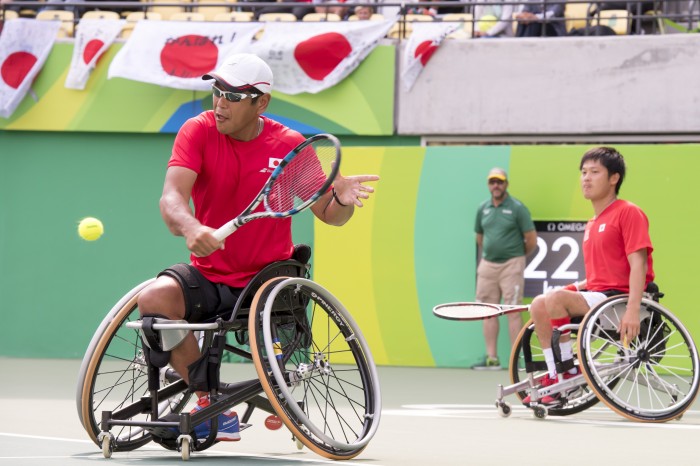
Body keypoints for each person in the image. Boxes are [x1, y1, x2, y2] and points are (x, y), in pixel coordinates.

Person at [137, 53, 380, 441]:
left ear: (260, 102)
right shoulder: (196, 131)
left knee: (264, 297)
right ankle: (208, 402)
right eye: (217, 92)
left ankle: (259, 386)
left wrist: (344, 200)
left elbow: (329, 215)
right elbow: (171, 199)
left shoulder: (289, 145)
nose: (220, 103)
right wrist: (191, 226)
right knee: (153, 299)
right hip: (208, 273)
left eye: (233, 96)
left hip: (266, 281)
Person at [522, 147, 654, 404]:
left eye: (594, 172)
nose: (586, 178)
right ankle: (554, 374)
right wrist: (575, 286)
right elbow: (599, 274)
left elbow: (638, 264)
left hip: (619, 299)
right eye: (583, 172)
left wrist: (633, 310)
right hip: (598, 295)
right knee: (539, 304)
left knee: (556, 299)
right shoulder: (592, 223)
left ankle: (569, 372)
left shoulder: (628, 212)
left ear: (614, 178)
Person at [472, 168, 537, 370]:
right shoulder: (483, 208)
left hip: (512, 265)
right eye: (492, 182)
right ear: (488, 185)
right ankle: (492, 358)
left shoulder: (517, 208)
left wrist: (515, 257)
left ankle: (516, 359)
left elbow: (531, 239)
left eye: (499, 182)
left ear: (506, 184)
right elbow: (480, 237)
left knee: (512, 311)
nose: (496, 185)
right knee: (488, 312)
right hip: (488, 265)